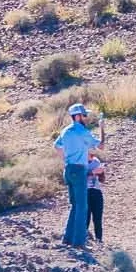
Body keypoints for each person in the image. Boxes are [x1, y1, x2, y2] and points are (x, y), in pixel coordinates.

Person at [53, 103, 101, 248]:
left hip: (68, 169)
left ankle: (67, 239)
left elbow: (56, 146)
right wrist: (103, 129)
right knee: (82, 207)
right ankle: (79, 243)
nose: (85, 118)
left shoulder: (65, 131)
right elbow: (99, 145)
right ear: (78, 116)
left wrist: (67, 159)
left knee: (74, 205)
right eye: (84, 115)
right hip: (79, 170)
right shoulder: (82, 131)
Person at [85, 150, 107, 244]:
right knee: (86, 217)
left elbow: (102, 180)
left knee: (97, 217)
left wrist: (101, 173)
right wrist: (93, 172)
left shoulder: (96, 161)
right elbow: (80, 176)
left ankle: (99, 239)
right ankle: (84, 238)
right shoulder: (80, 162)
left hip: (96, 191)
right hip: (85, 192)